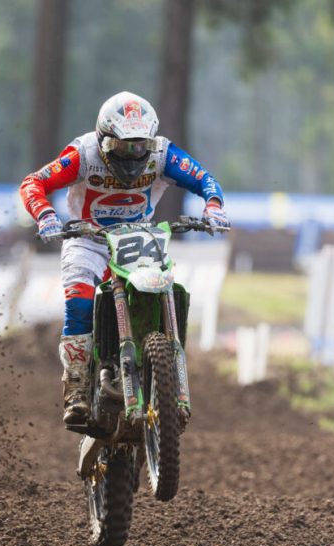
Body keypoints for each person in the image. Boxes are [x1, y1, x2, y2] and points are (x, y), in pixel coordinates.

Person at [19, 91, 228, 426]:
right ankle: (75, 385)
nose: (133, 155)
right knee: (80, 304)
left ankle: (167, 379)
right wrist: (45, 215)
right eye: (123, 146)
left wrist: (213, 207)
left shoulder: (162, 154)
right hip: (88, 239)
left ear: (151, 139)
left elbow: (204, 178)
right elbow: (34, 183)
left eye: (139, 145)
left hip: (140, 237)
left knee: (166, 293)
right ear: (104, 140)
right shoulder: (83, 154)